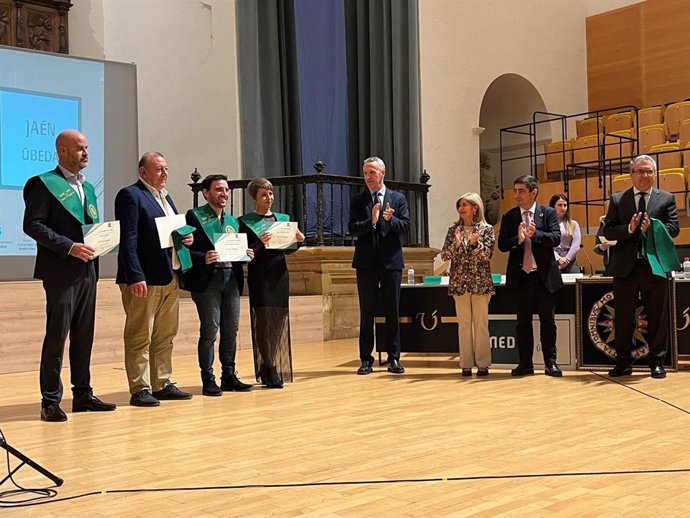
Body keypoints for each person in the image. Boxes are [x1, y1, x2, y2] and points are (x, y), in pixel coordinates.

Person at [23, 129, 116, 422]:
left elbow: (88, 228)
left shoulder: (87, 188)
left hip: (88, 270)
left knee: (84, 335)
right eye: (80, 148)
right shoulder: (43, 184)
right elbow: (33, 225)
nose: (86, 153)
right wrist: (69, 247)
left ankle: (83, 394)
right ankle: (50, 400)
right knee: (57, 336)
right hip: (60, 270)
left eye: (87, 147)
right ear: (62, 150)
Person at [115, 151, 194, 406]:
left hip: (169, 275)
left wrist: (186, 238)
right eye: (159, 169)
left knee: (165, 335)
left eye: (166, 169)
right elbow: (128, 239)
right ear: (143, 172)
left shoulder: (166, 197)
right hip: (144, 279)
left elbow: (170, 236)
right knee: (140, 335)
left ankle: (162, 382)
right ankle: (139, 387)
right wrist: (135, 275)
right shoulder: (131, 195)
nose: (164, 173)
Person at [603, 155, 679, 379]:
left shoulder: (666, 198)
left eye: (649, 171)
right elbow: (608, 230)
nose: (645, 175)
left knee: (657, 316)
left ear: (654, 174)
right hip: (625, 268)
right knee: (624, 317)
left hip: (654, 266)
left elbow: (673, 228)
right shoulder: (618, 199)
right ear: (631, 174)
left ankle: (657, 362)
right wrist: (629, 228)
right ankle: (623, 362)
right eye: (640, 171)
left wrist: (652, 229)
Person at [183, 174, 254, 396]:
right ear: (206, 192)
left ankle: (229, 376)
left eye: (226, 190)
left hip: (231, 279)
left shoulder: (233, 221)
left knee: (231, 330)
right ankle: (208, 378)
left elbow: (236, 250)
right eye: (218, 190)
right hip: (207, 281)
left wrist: (247, 254)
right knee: (210, 330)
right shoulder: (194, 216)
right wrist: (202, 256)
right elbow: (183, 248)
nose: (223, 194)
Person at [239, 178, 305, 388]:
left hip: (279, 274)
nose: (269, 198)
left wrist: (298, 241)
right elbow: (245, 252)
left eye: (270, 194)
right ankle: (268, 366)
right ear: (254, 198)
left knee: (278, 320)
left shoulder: (282, 219)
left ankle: (270, 364)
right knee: (264, 321)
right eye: (263, 195)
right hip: (260, 275)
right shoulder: (245, 221)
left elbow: (286, 249)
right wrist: (260, 242)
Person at [348, 156, 410, 375]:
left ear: (383, 173)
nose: (368, 177)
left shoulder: (398, 198)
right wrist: (371, 221)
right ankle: (366, 359)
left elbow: (405, 227)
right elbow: (352, 228)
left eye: (372, 173)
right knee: (367, 313)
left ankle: (394, 358)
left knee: (392, 311)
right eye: (365, 173)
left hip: (391, 263)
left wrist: (390, 220)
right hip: (366, 264)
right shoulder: (358, 200)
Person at [498, 175, 564, 377]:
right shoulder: (509, 216)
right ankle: (525, 363)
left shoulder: (548, 213)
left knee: (548, 322)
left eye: (521, 191)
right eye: (515, 191)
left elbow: (555, 238)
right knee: (522, 323)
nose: (516, 195)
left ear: (533, 192)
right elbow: (501, 245)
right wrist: (516, 240)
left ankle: (550, 363)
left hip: (543, 278)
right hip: (521, 278)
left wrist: (537, 235)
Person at [440, 192, 495, 376]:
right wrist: (456, 245)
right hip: (459, 283)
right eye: (459, 205)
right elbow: (445, 255)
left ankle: (482, 364)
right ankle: (465, 363)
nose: (461, 209)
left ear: (475, 208)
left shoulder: (486, 229)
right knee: (464, 324)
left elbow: (486, 256)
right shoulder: (454, 230)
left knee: (480, 323)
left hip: (480, 282)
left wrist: (474, 245)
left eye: (465, 205)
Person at [549, 193, 581, 273]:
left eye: (565, 205)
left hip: (569, 259)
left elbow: (576, 245)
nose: (563, 208)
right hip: (552, 257)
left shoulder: (573, 224)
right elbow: (545, 243)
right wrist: (558, 259)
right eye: (560, 205)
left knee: (573, 284)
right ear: (553, 206)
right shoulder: (546, 224)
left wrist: (567, 259)